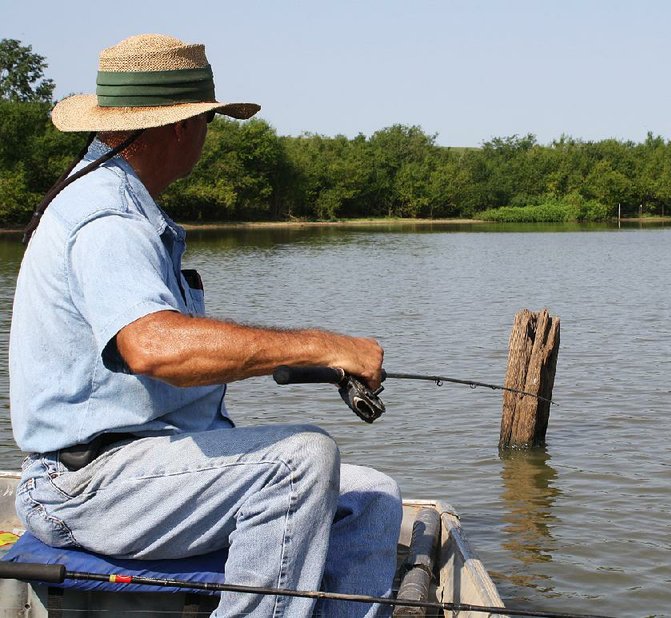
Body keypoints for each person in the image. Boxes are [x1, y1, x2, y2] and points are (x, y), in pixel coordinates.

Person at [9, 33, 402, 617]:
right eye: (208, 122)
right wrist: (322, 344)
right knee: (300, 458)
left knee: (373, 496)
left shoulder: (124, 201)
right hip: (86, 487)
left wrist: (309, 355)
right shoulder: (109, 217)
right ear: (181, 127)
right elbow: (153, 346)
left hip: (142, 469)